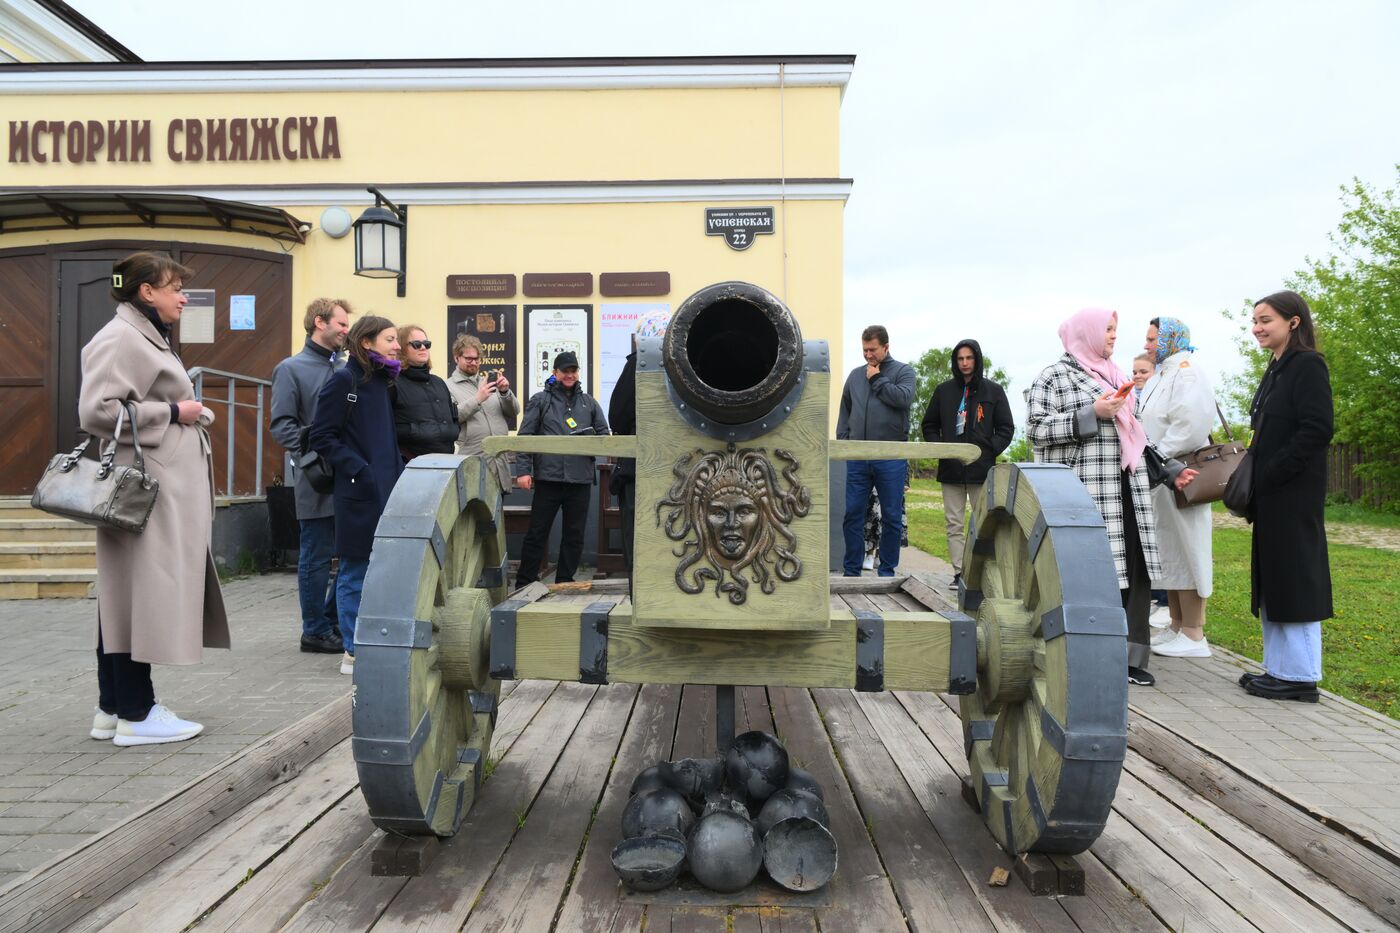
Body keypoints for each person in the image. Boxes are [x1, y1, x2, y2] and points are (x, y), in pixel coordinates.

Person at [77, 251, 229, 746]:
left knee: (125, 596)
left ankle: (113, 708)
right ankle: (138, 714)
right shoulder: (122, 337)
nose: (183, 296)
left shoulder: (143, 334)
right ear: (147, 291)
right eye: (174, 287)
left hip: (152, 482)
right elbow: (96, 411)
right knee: (137, 595)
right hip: (143, 487)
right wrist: (174, 410)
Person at [1027, 308, 1196, 687]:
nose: (1113, 336)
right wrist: (1092, 412)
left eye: (1115, 330)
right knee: (1095, 575)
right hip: (1085, 491)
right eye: (1107, 329)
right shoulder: (1054, 376)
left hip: (1127, 491)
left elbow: (1135, 434)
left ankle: (1130, 660)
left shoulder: (1116, 374)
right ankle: (1087, 657)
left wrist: (1170, 471)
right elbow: (1035, 430)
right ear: (1085, 333)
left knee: (1135, 575)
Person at [1238, 291, 1333, 702]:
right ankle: (1279, 669)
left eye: (1266, 320)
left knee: (1296, 578)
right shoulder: (1276, 367)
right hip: (1271, 494)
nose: (1257, 328)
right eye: (1254, 321)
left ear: (1293, 322)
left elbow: (1317, 428)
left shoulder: (1308, 366)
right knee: (1274, 578)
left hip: (1293, 492)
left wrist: (1275, 472)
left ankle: (1301, 677)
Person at [308, 315, 403, 675]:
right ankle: (352, 650)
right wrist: (359, 470)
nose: (397, 345)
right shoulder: (344, 380)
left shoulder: (382, 383)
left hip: (387, 492)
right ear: (367, 343)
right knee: (354, 570)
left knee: (380, 571)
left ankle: (372, 641)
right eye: (390, 339)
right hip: (359, 493)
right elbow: (322, 436)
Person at [269, 297, 350, 655]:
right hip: (316, 479)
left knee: (351, 554)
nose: (347, 331)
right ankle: (314, 631)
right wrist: (313, 457)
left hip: (350, 476)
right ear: (320, 322)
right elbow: (282, 426)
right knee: (316, 557)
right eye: (342, 324)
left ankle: (331, 620)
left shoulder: (346, 368)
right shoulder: (291, 368)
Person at [1138, 317, 1216, 660]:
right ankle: (1176, 624)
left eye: (1153, 338)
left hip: (1180, 471)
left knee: (1189, 548)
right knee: (1170, 550)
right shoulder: (1165, 372)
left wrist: (1159, 456)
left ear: (1170, 339)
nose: (1147, 345)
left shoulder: (1186, 372)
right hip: (1162, 473)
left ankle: (1194, 631)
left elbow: (1191, 424)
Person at [919, 339, 1015, 587]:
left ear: (977, 359)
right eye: (960, 359)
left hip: (981, 472)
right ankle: (960, 573)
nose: (964, 363)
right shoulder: (944, 391)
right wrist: (942, 448)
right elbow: (929, 425)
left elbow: (1006, 428)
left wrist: (988, 451)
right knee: (954, 523)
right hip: (951, 471)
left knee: (983, 524)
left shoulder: (993, 392)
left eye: (969, 358)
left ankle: (982, 575)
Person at [514, 351, 610, 587]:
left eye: (573, 370)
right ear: (555, 373)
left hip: (580, 480)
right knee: (537, 532)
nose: (570, 375)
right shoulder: (540, 401)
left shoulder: (589, 402)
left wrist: (588, 439)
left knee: (574, 535)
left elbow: (604, 436)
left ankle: (565, 580)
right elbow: (525, 437)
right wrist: (523, 471)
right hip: (548, 479)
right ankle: (525, 581)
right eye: (565, 371)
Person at [836, 325, 917, 577]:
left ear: (886, 347)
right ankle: (851, 570)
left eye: (872, 350)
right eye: (864, 350)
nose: (868, 355)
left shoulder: (904, 372)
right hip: (858, 457)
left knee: (891, 516)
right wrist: (845, 443)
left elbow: (903, 399)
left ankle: (887, 571)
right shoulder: (853, 376)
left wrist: (877, 379)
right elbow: (845, 413)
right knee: (853, 514)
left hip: (890, 456)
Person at [607, 309, 671, 578]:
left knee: (639, 538)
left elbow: (618, 417)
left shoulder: (637, 365)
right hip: (680, 468)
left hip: (640, 468)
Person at [446, 333, 518, 493]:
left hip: (499, 464)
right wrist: (477, 399)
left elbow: (514, 412)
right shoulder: (447, 386)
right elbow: (451, 417)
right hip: (471, 463)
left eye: (477, 359)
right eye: (469, 358)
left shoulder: (489, 382)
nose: (474, 363)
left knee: (498, 516)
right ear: (457, 358)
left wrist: (505, 392)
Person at [393, 325, 458, 461]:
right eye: (416, 344)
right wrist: (417, 432)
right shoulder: (393, 383)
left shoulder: (439, 383)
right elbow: (387, 428)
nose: (423, 348)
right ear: (402, 348)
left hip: (446, 462)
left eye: (426, 344)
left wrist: (452, 431)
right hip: (411, 464)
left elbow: (454, 420)